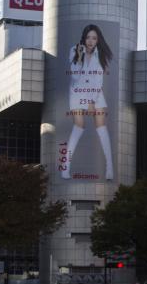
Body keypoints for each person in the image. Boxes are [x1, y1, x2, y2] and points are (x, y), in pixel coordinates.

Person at [62, 24, 114, 180]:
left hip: (95, 93)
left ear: (98, 40)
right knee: (79, 125)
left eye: (94, 38)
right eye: (88, 37)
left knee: (101, 126)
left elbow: (98, 80)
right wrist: (78, 57)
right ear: (84, 38)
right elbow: (75, 76)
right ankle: (66, 167)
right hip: (77, 91)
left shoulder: (100, 55)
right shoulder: (74, 50)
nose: (91, 41)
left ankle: (110, 168)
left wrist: (91, 100)